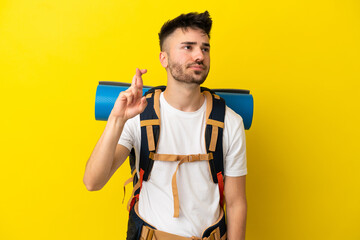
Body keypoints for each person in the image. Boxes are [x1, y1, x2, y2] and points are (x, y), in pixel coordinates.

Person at [83, 11, 247, 240]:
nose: (200, 55)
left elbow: (236, 202)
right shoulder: (138, 115)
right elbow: (93, 181)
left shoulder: (229, 122)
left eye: (205, 48)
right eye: (188, 47)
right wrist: (118, 118)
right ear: (164, 58)